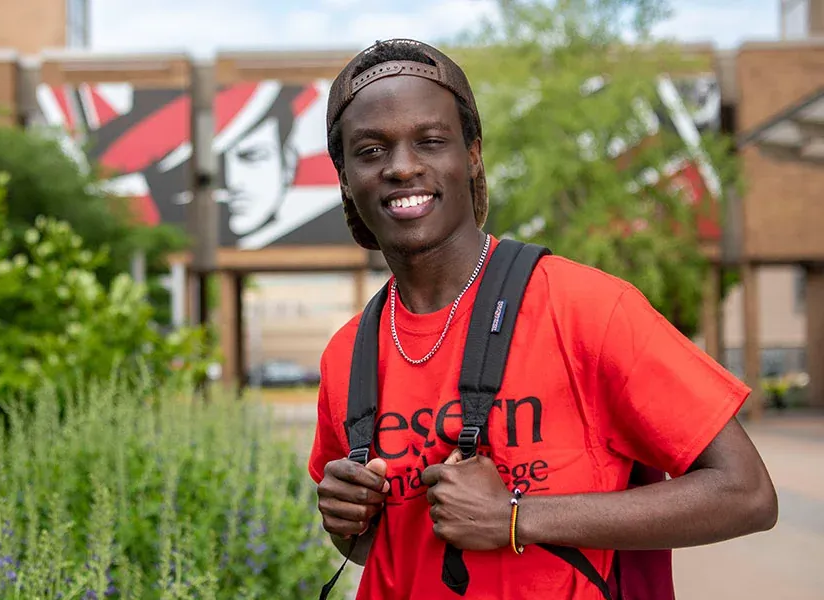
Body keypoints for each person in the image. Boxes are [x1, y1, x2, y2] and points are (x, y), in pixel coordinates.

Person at [308, 38, 778, 599]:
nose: (402, 167)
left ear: (472, 155)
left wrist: (515, 517)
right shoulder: (348, 353)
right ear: (344, 177)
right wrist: (346, 520)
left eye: (431, 141)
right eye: (370, 151)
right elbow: (380, 549)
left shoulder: (586, 307)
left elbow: (747, 493)